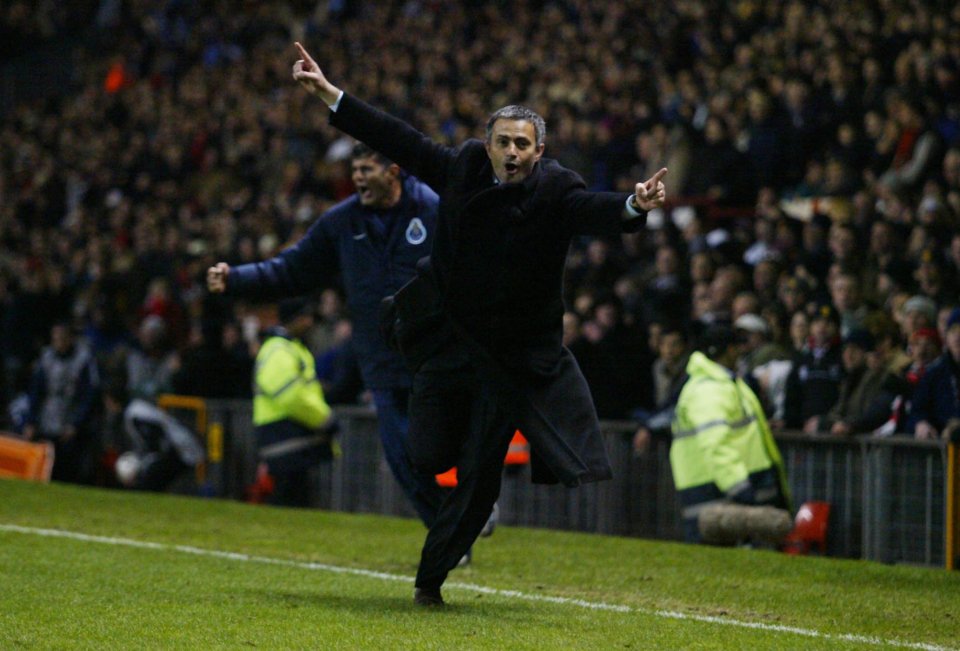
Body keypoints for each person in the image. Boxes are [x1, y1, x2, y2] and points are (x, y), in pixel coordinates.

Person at [289, 41, 668, 605]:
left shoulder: (557, 191)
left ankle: (429, 583)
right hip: (447, 343)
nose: (511, 151)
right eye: (503, 141)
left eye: (522, 143)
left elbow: (598, 212)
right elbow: (400, 139)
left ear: (539, 152)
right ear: (487, 146)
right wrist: (330, 94)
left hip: (509, 361)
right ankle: (454, 508)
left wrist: (634, 205)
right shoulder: (461, 167)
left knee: (478, 475)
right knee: (426, 455)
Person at [207, 142, 450, 530]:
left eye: (366, 169)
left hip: (438, 352)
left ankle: (471, 503)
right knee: (400, 452)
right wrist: (237, 278)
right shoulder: (342, 222)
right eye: (354, 170)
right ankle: (449, 529)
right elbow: (292, 268)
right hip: (382, 359)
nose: (357, 178)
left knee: (451, 439)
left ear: (393, 171)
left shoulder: (434, 210)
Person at [670, 324, 791, 543]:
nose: (741, 351)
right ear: (724, 351)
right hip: (718, 491)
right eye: (736, 346)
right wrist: (740, 487)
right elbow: (716, 443)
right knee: (713, 563)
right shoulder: (710, 389)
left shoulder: (723, 383)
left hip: (721, 487)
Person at [252, 297, 338, 507]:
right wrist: (324, 419)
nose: (310, 322)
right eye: (305, 317)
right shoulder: (280, 350)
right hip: (286, 438)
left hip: (288, 440)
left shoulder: (287, 348)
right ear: (295, 319)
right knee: (290, 500)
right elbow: (291, 396)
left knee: (293, 500)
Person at [23, 322, 101, 483]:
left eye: (62, 338)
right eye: (55, 339)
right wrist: (31, 420)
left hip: (70, 418)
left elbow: (89, 396)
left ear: (70, 339)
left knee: (68, 465)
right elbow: (36, 391)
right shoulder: (46, 358)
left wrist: (76, 424)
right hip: (48, 417)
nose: (58, 342)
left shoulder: (83, 360)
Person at [105, 384, 205, 492]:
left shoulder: (135, 415)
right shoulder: (134, 410)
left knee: (148, 484)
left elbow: (156, 443)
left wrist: (141, 466)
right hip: (177, 449)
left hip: (180, 449)